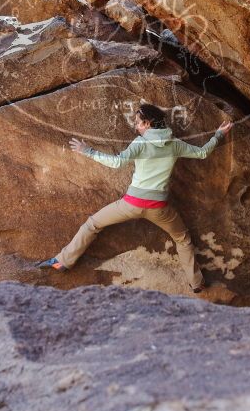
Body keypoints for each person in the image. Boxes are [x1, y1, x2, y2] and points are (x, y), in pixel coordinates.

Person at [38, 104, 233, 293]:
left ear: (147, 124)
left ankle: (61, 262)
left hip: (130, 204)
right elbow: (202, 153)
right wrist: (218, 135)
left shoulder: (141, 143)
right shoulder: (175, 144)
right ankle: (196, 283)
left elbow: (116, 163)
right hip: (160, 209)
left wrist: (88, 151)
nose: (135, 126)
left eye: (138, 122)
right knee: (183, 240)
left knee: (92, 224)